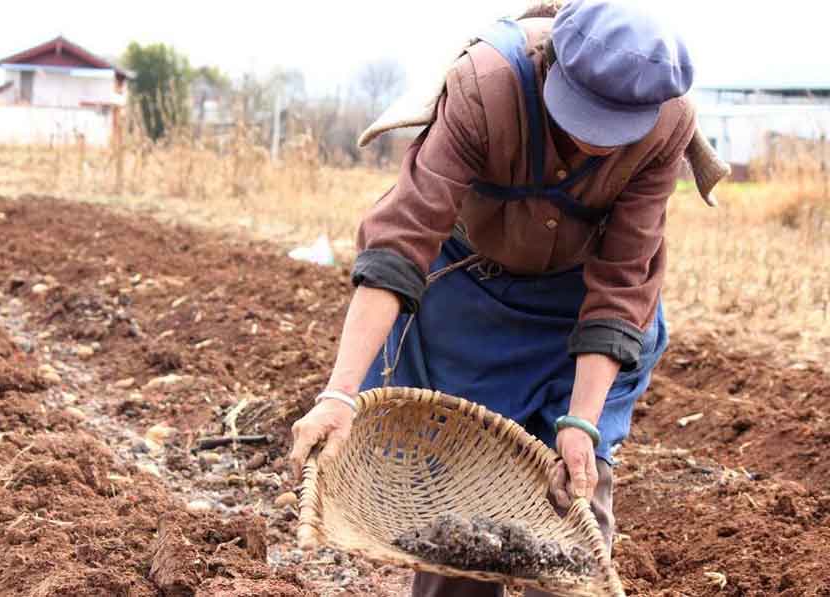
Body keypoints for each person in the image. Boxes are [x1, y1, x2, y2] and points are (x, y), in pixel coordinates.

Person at [291, 1, 695, 595]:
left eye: (612, 130)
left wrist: (581, 422)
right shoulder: (487, 85)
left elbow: (622, 281)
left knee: (575, 504)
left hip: (577, 314)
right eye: (581, 119)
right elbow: (402, 242)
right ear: (550, 66)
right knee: (458, 508)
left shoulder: (667, 123)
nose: (592, 144)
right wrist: (339, 392)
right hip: (472, 299)